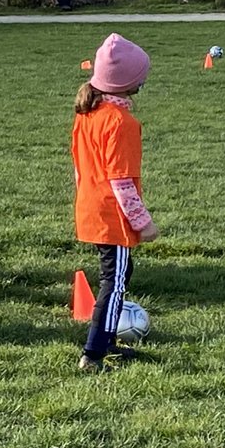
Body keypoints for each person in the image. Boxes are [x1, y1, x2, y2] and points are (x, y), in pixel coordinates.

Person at [71, 33, 158, 372]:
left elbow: (80, 169)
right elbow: (121, 181)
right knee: (115, 279)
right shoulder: (121, 123)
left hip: (91, 209)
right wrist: (143, 221)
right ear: (129, 83)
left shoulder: (87, 114)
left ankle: (107, 342)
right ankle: (92, 354)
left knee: (119, 273)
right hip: (112, 216)